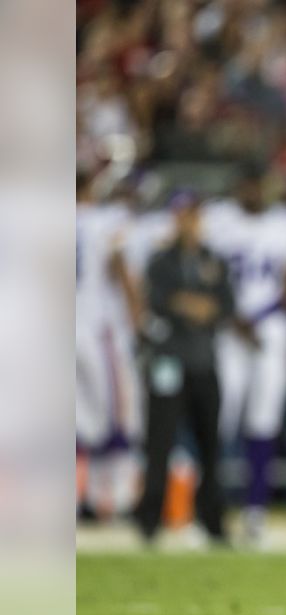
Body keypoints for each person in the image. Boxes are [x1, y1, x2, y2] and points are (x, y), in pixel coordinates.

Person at [203, 166, 286, 546]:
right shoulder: (218, 220)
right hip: (229, 329)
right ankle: (208, 511)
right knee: (221, 417)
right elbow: (207, 273)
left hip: (271, 327)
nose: (253, 191)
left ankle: (255, 510)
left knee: (264, 419)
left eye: (257, 184)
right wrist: (232, 317)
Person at [134, 192, 234, 545]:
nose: (188, 222)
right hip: (170, 359)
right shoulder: (161, 260)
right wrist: (194, 305)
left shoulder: (213, 260)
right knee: (159, 441)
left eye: (193, 215)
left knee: (210, 446)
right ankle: (149, 520)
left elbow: (224, 304)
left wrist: (189, 304)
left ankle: (213, 521)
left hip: (204, 361)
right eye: (182, 215)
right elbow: (160, 299)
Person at [76, 173, 146, 520]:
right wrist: (139, 317)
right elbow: (119, 268)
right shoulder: (103, 220)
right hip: (96, 325)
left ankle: (80, 496)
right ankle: (111, 498)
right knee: (116, 414)